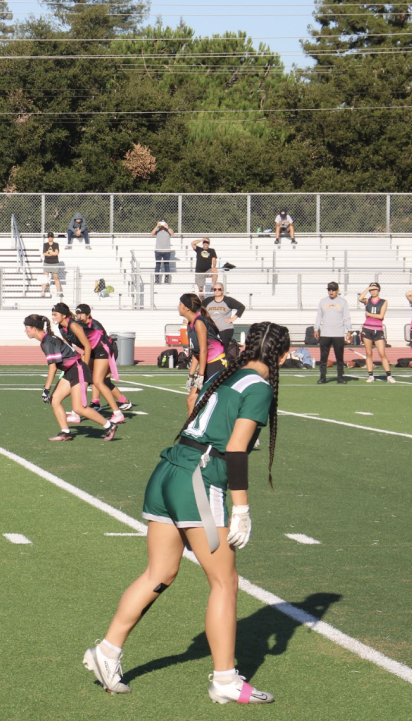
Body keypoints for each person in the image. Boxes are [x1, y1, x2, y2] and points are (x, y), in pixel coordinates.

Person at [84, 322, 290, 705]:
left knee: (159, 572)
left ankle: (107, 652)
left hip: (169, 469)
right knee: (225, 583)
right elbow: (237, 448)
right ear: (282, 355)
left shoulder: (226, 375)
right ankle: (226, 680)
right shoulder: (259, 386)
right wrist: (241, 507)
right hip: (198, 479)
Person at [24, 314, 116, 441]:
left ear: (35, 328)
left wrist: (46, 388)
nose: (25, 331)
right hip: (71, 371)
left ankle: (109, 425)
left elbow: (53, 367)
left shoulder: (48, 341)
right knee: (55, 399)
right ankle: (65, 432)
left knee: (79, 408)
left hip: (78, 370)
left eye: (27, 328)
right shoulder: (46, 341)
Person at [55, 302, 127, 425]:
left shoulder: (74, 325)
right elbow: (71, 348)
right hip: (92, 350)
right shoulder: (61, 328)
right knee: (80, 379)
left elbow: (87, 346)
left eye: (55, 314)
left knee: (98, 381)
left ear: (63, 315)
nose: (53, 317)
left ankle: (117, 413)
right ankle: (76, 413)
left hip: (101, 348)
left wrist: (84, 366)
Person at [74, 304, 133, 413]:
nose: (79, 316)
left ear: (88, 315)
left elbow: (102, 343)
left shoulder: (95, 325)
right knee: (97, 379)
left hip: (106, 350)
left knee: (101, 380)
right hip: (94, 351)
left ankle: (123, 402)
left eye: (81, 314)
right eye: (77, 314)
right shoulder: (81, 325)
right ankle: (97, 403)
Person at [180, 293, 227, 413]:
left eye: (180, 304)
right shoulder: (190, 324)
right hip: (207, 364)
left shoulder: (199, 322)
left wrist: (200, 375)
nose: (178, 306)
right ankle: (190, 429)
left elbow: (204, 350)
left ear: (187, 308)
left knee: (215, 402)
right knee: (191, 400)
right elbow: (196, 352)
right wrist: (191, 375)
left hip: (216, 364)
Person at [358, 283, 395, 383]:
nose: (373, 291)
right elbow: (360, 298)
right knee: (369, 353)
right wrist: (367, 289)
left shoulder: (383, 302)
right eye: (371, 290)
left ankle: (389, 375)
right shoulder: (367, 301)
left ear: (379, 290)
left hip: (378, 330)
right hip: (367, 329)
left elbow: (381, 316)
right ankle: (370, 375)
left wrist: (369, 314)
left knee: (382, 353)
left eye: (375, 289)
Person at [316, 281, 352, 384]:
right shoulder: (323, 301)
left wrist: (349, 330)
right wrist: (316, 328)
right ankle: (322, 377)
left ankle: (340, 377)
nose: (331, 292)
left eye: (333, 290)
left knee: (339, 358)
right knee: (323, 358)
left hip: (338, 333)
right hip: (325, 333)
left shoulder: (343, 302)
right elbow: (319, 316)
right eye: (329, 290)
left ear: (338, 291)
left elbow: (346, 317)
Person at [205, 284, 245, 349]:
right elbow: (199, 309)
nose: (217, 291)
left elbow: (241, 307)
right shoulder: (208, 301)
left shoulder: (228, 300)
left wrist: (232, 319)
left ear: (222, 290)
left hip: (225, 329)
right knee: (211, 348)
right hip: (211, 329)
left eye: (219, 289)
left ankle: (225, 358)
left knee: (223, 348)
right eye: (215, 289)